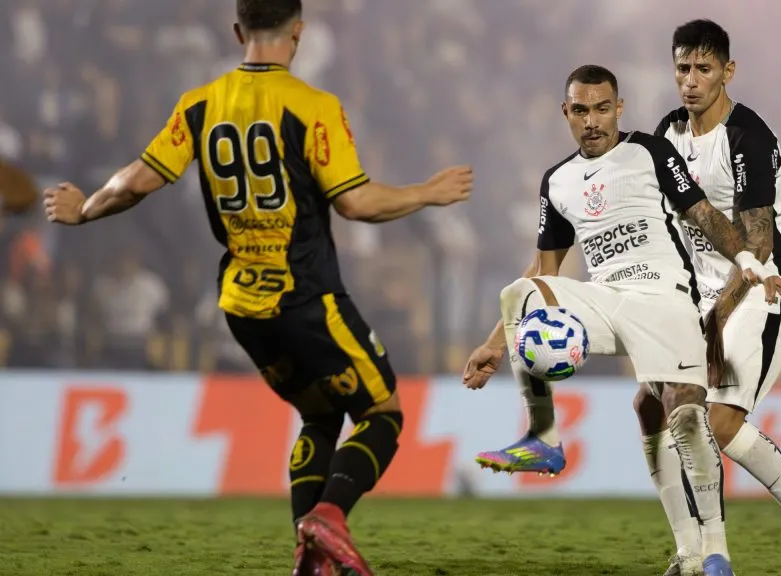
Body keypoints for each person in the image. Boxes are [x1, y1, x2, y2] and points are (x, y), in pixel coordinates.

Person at [43, 1, 473, 574]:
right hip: (306, 294)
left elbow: (136, 180)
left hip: (243, 303)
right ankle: (328, 518)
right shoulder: (312, 106)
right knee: (383, 414)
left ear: (239, 30)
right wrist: (426, 191)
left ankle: (308, 556)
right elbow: (355, 202)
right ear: (299, 31)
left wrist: (84, 209)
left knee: (320, 416)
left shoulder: (200, 104)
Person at [462, 64, 781, 576]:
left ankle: (713, 553)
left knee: (679, 413)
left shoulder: (651, 152)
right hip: (605, 301)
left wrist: (748, 261)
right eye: (580, 110)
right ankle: (544, 437)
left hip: (663, 300)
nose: (591, 120)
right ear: (565, 112)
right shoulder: (558, 181)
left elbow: (703, 215)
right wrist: (495, 345)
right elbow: (546, 272)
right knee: (518, 291)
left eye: (601, 108)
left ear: (619, 108)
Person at [641, 19, 781, 576]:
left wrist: (716, 313)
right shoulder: (668, 132)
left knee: (721, 424)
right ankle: (694, 552)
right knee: (667, 412)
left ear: (727, 72)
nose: (690, 81)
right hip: (703, 295)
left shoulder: (749, 139)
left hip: (761, 290)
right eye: (682, 68)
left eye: (703, 69)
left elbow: (756, 243)